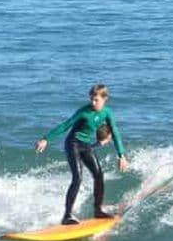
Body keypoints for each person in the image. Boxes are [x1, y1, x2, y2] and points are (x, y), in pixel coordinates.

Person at [35, 84, 128, 225]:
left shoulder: (107, 113)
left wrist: (121, 155)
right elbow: (65, 125)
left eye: (96, 100)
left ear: (105, 99)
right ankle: (67, 216)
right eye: (91, 99)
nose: (92, 102)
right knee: (77, 178)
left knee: (99, 175)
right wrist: (46, 138)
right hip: (73, 144)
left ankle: (97, 210)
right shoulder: (84, 112)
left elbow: (114, 132)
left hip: (85, 146)